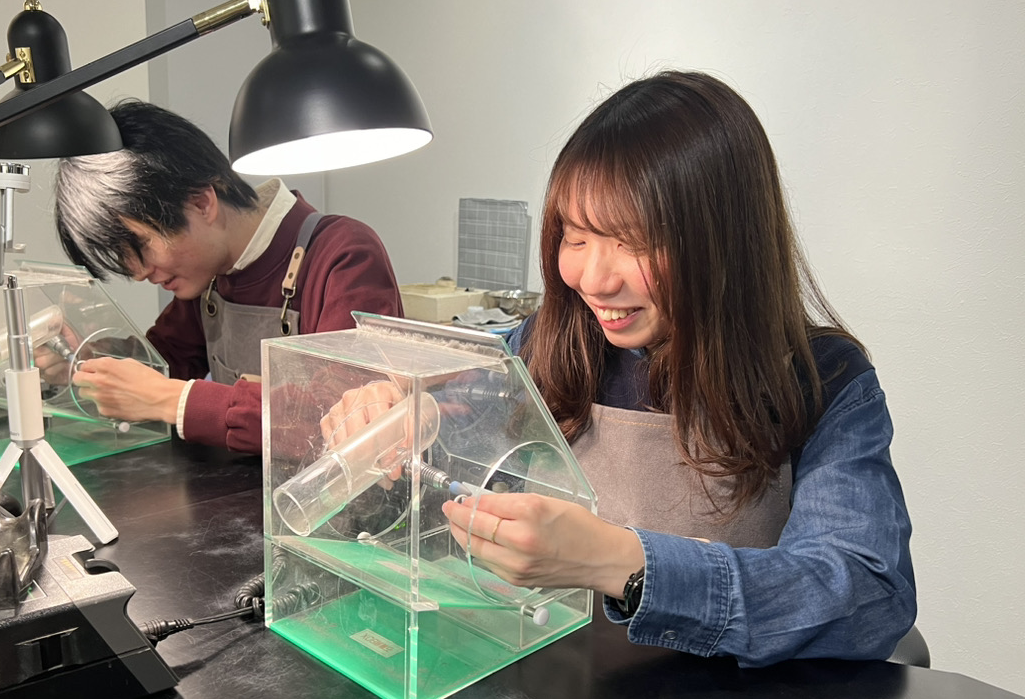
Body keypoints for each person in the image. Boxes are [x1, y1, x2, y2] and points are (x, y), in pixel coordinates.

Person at [323, 71, 915, 666]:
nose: (595, 281)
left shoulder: (824, 381)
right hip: (561, 690)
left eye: (634, 242)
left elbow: (867, 598)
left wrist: (620, 563)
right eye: (576, 239)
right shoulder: (549, 345)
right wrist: (392, 420)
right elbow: (449, 430)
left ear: (725, 243)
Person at [48, 99, 404, 454]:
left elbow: (344, 420)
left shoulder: (344, 253)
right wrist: (84, 363)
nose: (139, 273)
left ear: (202, 203)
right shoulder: (209, 278)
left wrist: (174, 400)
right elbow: (163, 363)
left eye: (141, 245)